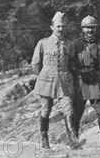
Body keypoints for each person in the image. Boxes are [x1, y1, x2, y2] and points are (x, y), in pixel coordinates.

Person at [31, 12, 80, 150]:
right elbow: (35, 63)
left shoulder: (69, 44)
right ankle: (44, 138)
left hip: (64, 80)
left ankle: (72, 138)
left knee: (68, 107)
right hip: (47, 80)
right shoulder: (43, 43)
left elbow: (72, 61)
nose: (60, 29)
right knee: (46, 109)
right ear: (51, 27)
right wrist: (41, 75)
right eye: (58, 26)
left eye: (62, 27)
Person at [70, 15, 100, 150]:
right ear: (83, 29)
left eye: (92, 28)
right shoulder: (75, 45)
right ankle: (74, 139)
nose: (90, 30)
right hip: (80, 81)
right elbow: (70, 65)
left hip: (96, 79)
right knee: (77, 111)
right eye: (87, 28)